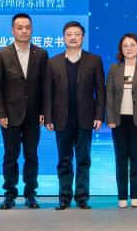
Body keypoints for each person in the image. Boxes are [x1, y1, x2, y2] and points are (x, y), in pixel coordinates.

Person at [43, 21, 105, 210]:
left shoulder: (94, 60)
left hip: (85, 118)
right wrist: (48, 117)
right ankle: (64, 198)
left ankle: (82, 197)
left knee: (83, 159)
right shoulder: (53, 62)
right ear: (63, 38)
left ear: (82, 38)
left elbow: (100, 91)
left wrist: (99, 116)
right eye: (69, 34)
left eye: (77, 34)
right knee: (64, 160)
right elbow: (48, 93)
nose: (73, 37)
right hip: (61, 118)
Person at [0, 13, 48, 209]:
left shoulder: (41, 53)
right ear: (12, 30)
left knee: (31, 155)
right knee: (10, 155)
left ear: (32, 30)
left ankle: (31, 193)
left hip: (34, 115)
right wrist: (0, 113)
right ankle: (9, 193)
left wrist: (44, 110)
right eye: (20, 27)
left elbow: (45, 85)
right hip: (10, 115)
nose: (24, 31)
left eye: (27, 27)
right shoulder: (2, 54)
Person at [105, 33, 137, 208]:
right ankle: (121, 197)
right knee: (120, 157)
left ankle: (135, 196)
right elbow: (109, 95)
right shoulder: (114, 69)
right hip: (118, 120)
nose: (129, 48)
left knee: (135, 157)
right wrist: (110, 117)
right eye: (125, 46)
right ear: (121, 49)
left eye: (132, 45)